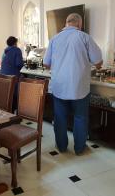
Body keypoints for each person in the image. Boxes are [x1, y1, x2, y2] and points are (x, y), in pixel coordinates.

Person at [43, 13, 103, 155]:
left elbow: (46, 63)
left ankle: (62, 147)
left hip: (59, 86)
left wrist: (59, 66)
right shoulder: (84, 37)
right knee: (80, 117)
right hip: (79, 86)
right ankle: (79, 148)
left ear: (66, 23)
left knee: (60, 118)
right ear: (79, 24)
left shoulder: (55, 38)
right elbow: (98, 61)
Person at [0, 36, 24, 111]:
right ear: (15, 43)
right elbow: (18, 64)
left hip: (3, 76)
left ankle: (8, 109)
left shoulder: (5, 50)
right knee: (15, 91)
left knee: (7, 93)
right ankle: (15, 109)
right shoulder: (17, 50)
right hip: (12, 75)